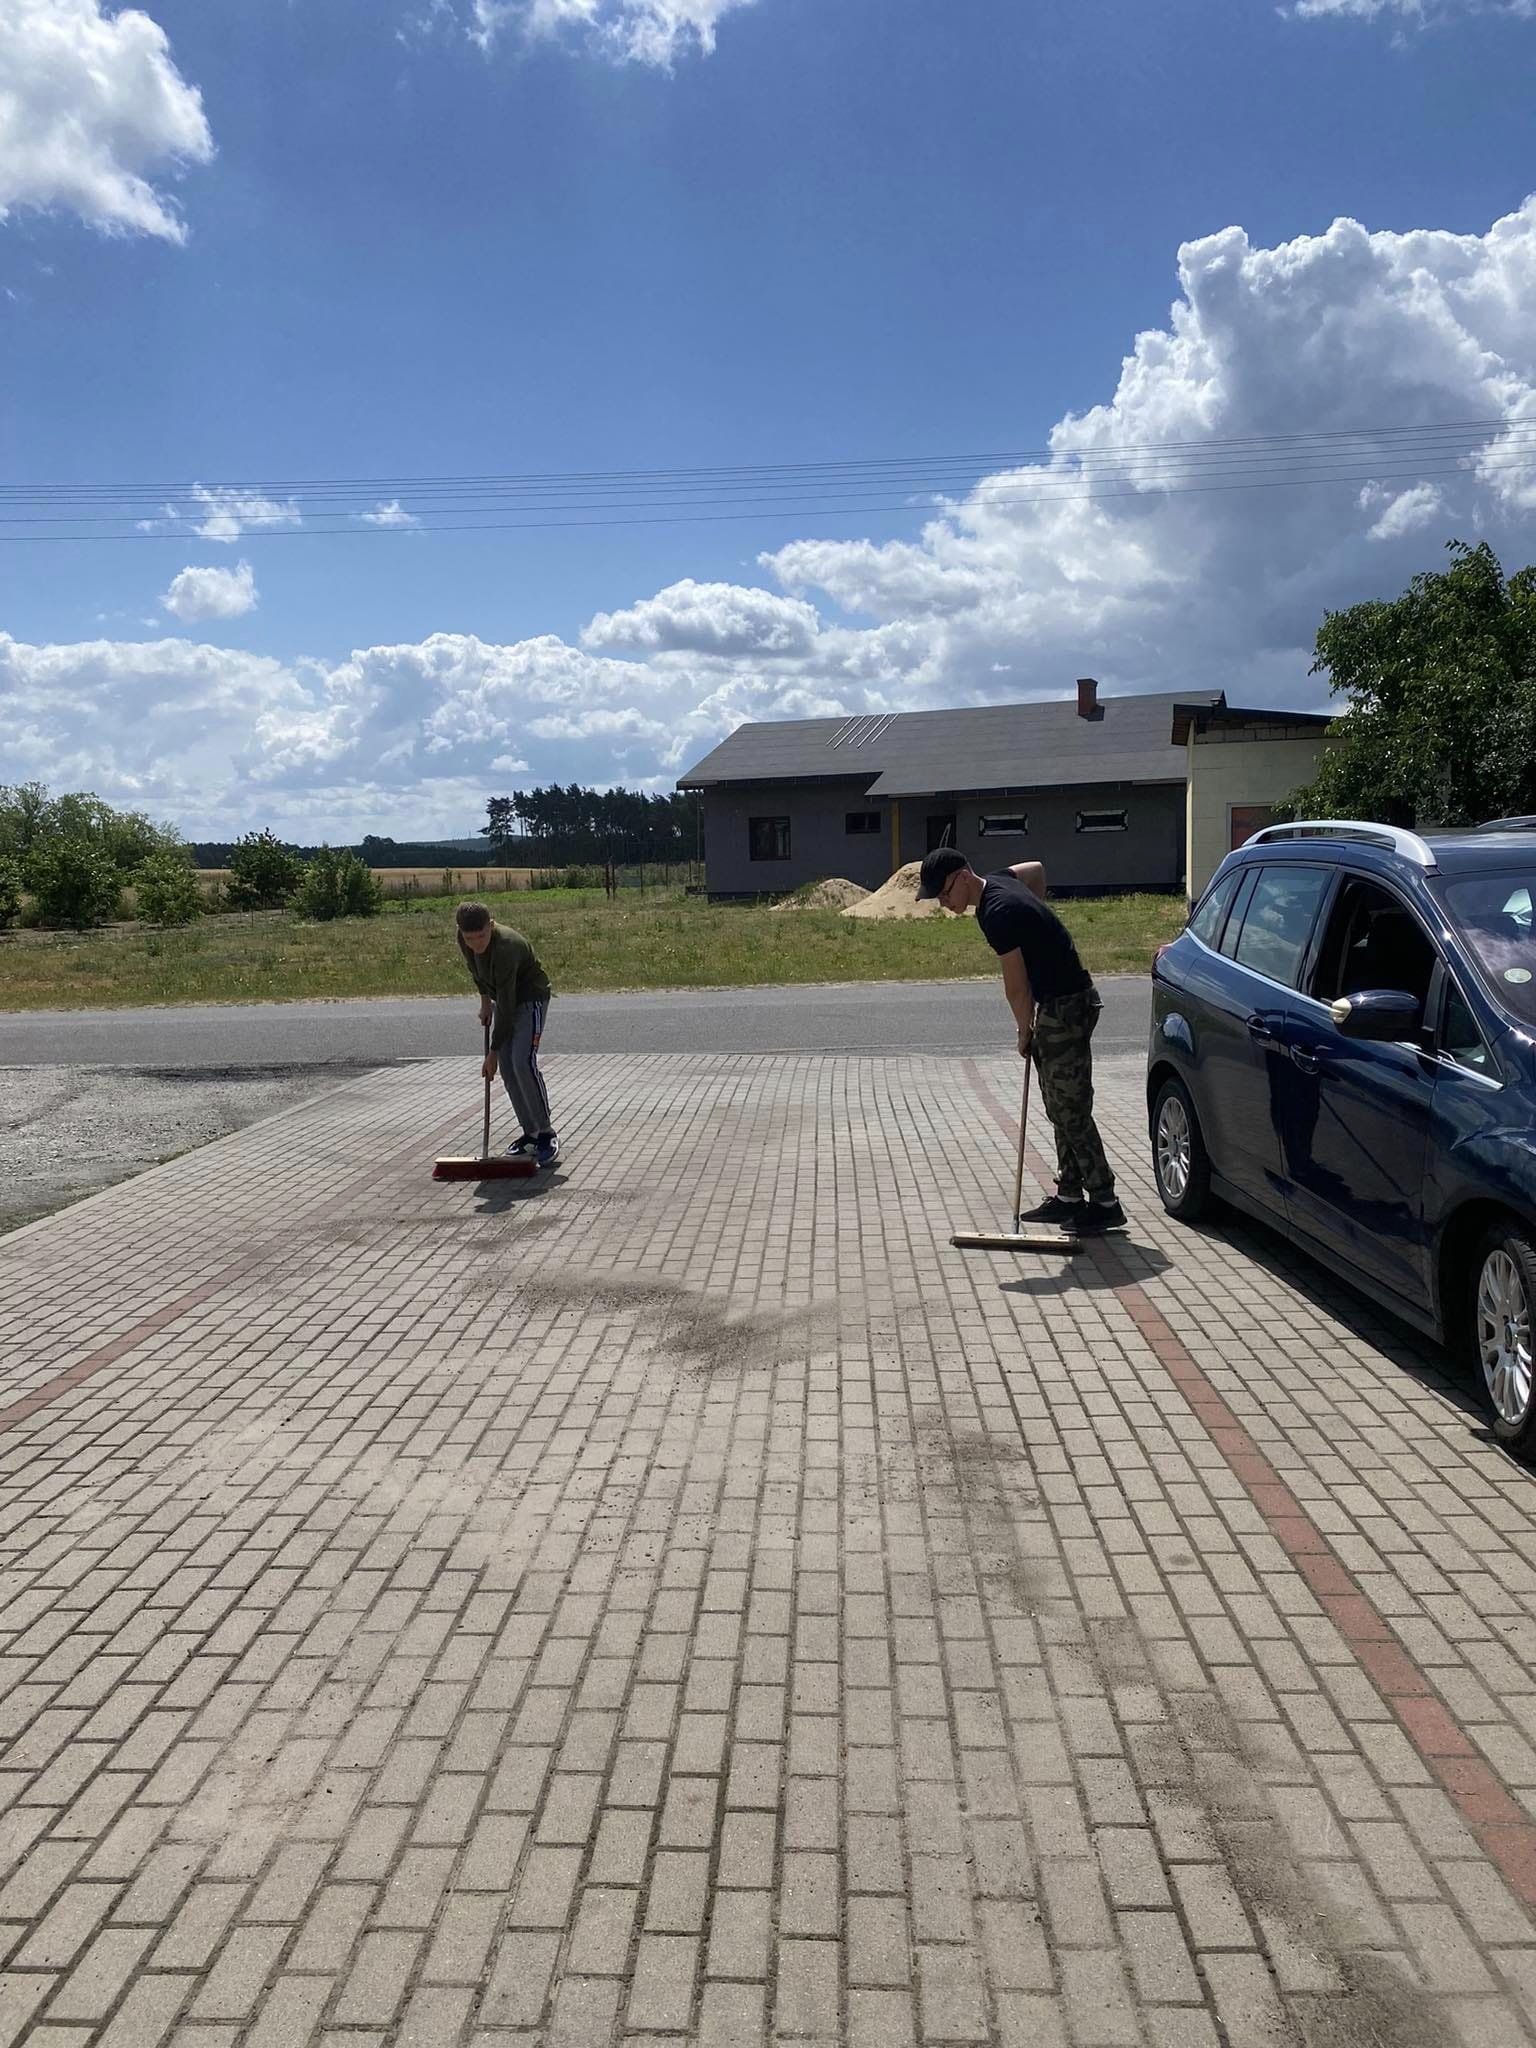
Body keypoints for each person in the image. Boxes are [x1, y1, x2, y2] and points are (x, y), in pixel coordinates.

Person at [916, 848, 1123, 1233]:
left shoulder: (998, 912)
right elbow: (1036, 870)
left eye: (944, 893)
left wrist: (1023, 1030)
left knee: (1069, 1107)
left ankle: (1105, 1201)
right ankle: (1069, 1195)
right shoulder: (999, 881)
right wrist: (1037, 924)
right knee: (1058, 1104)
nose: (943, 903)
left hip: (1066, 1005)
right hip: (1060, 1002)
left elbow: (1016, 986)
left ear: (963, 877)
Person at [455, 901, 558, 1167]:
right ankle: (530, 1133)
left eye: (481, 936)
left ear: (491, 926)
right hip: (503, 998)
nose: (476, 944)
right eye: (469, 938)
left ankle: (546, 1132)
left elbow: (508, 1005)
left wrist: (492, 1052)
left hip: (530, 998)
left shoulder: (506, 948)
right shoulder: (464, 939)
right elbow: (476, 972)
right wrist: (484, 1003)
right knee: (508, 1069)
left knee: (522, 1062)